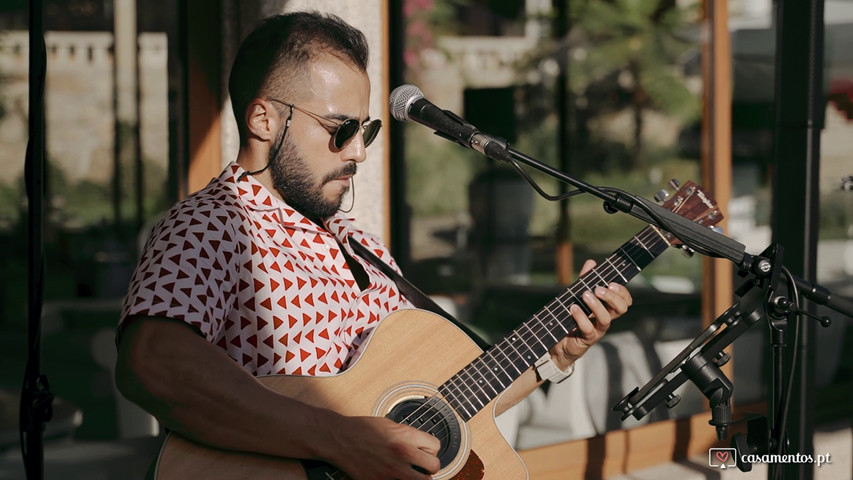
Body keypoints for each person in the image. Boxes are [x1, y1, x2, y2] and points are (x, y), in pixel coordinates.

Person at [115, 10, 632, 480]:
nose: (359, 152)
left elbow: (451, 404)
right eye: (341, 130)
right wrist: (340, 439)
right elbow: (153, 362)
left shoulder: (361, 246)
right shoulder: (214, 222)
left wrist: (556, 355)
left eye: (366, 130)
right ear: (263, 120)